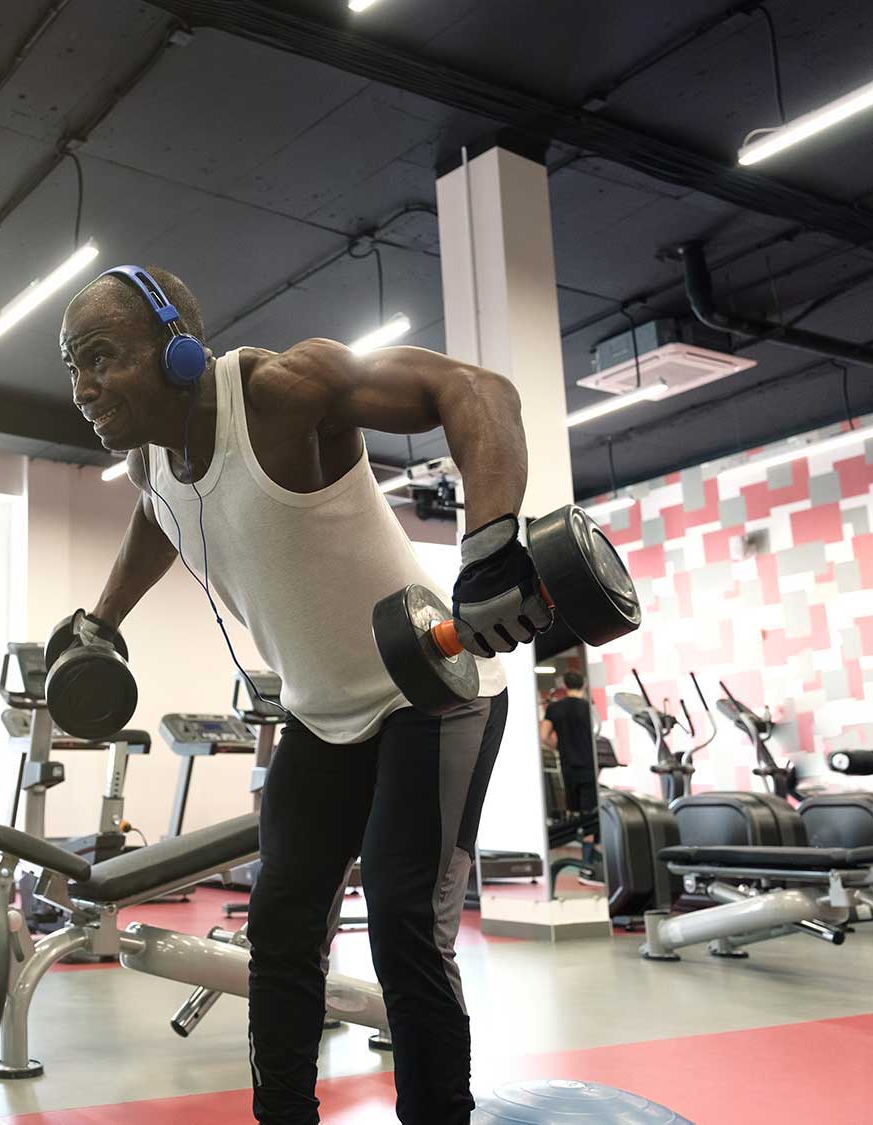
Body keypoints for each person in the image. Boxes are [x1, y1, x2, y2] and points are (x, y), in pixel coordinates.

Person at [57, 264, 550, 1125]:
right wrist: (102, 620)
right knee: (280, 930)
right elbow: (158, 518)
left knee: (404, 923)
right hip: (321, 717)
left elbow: (475, 388)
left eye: (102, 356)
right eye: (73, 365)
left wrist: (492, 543)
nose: (84, 386)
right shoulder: (151, 468)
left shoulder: (286, 390)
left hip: (431, 693)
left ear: (176, 348)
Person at [540, 671, 598, 816]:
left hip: (568, 765)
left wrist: (557, 746)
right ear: (583, 685)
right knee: (591, 812)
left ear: (565, 685)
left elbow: (543, 735)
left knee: (573, 810)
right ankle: (590, 837)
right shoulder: (589, 707)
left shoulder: (554, 708)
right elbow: (596, 733)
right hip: (589, 764)